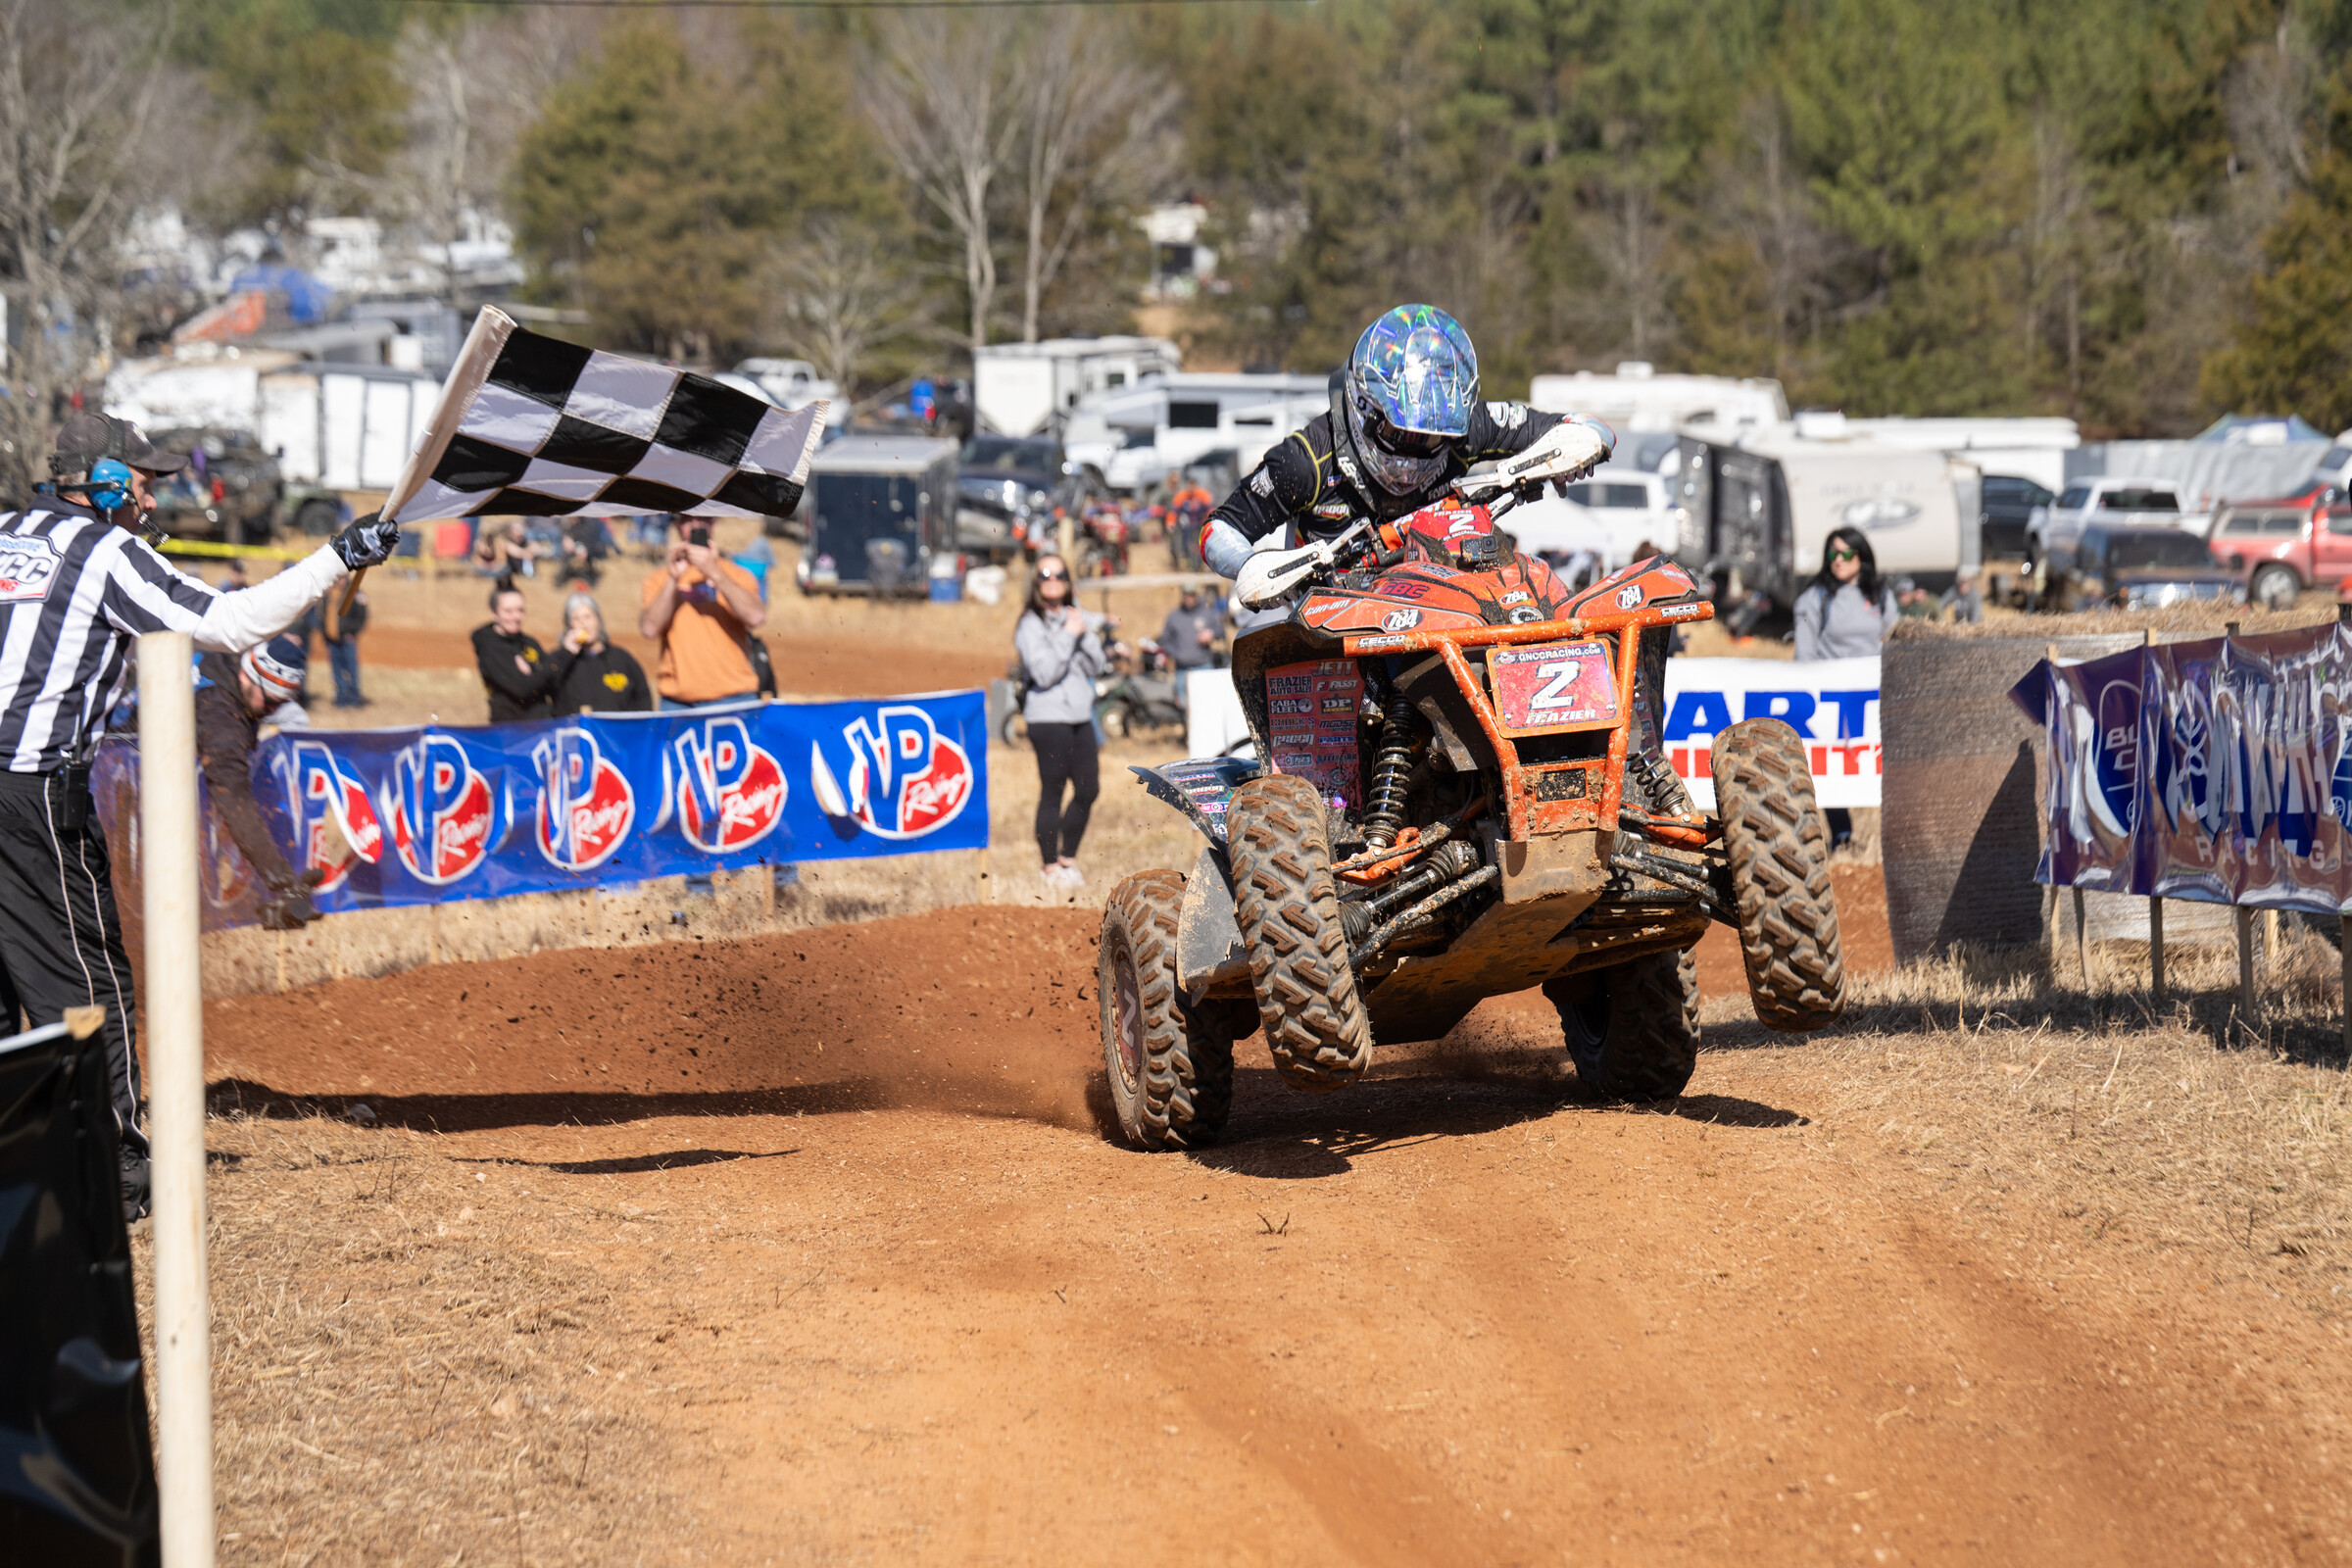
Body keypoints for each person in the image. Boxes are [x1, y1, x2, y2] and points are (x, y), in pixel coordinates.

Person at [0, 412, 398, 1219]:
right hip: (32, 791)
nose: (154, 501)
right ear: (107, 486)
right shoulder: (105, 551)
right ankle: (117, 1171)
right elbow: (228, 624)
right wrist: (338, 555)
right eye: (144, 484)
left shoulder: (7, 530)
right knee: (90, 985)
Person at [1200, 305, 1610, 604]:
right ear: (1365, 409)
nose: (1413, 455)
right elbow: (1218, 529)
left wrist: (1577, 448)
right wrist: (1253, 567)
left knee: (1537, 586)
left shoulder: (1468, 428)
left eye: (1430, 439)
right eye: (1400, 433)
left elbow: (1585, 426)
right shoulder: (1306, 460)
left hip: (1454, 603)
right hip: (1336, 622)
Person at [196, 634, 324, 931]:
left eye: (282, 705)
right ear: (248, 675)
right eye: (270, 702)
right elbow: (233, 798)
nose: (273, 712)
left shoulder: (230, 664)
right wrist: (279, 880)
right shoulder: (220, 716)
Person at [1792, 526, 1897, 848]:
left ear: (1861, 557)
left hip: (1873, 696)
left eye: (1846, 553)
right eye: (1832, 553)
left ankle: (1892, 838)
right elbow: (1805, 651)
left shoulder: (1880, 595)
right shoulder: (1814, 598)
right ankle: (1842, 835)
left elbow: (1895, 640)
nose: (1839, 560)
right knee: (1828, 764)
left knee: (1885, 763)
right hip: (1830, 699)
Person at [1013, 554, 1104, 890]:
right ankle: (1050, 866)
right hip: (1047, 716)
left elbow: (1096, 666)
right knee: (1053, 789)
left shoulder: (1074, 617)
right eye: (1045, 574)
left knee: (1088, 788)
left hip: (1081, 714)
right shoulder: (1029, 624)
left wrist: (1084, 633)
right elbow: (1044, 673)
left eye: (1059, 574)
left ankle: (1069, 857)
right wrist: (1068, 635)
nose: (1052, 579)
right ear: (1035, 583)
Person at [638, 514, 765, 709]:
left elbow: (756, 617)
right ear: (676, 525)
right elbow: (649, 629)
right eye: (687, 519)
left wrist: (714, 572)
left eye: (702, 518)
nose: (695, 525)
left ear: (713, 523)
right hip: (678, 703)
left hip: (734, 698)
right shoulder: (659, 579)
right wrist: (673, 579)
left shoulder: (737, 575)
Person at [552, 593, 652, 713]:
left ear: (598, 620)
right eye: (576, 619)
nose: (583, 623)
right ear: (569, 626)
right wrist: (566, 653)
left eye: (587, 617)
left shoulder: (621, 658)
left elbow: (642, 697)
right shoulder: (560, 661)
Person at [472, 581, 558, 722]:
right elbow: (521, 688)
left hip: (541, 725)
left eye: (520, 610)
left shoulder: (530, 643)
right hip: (509, 730)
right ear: (493, 613)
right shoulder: (490, 648)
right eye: (508, 611)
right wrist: (545, 668)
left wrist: (535, 670)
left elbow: (552, 680)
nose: (516, 617)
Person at [1158, 582, 1223, 699]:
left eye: (1192, 595)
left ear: (1196, 596)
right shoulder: (1174, 616)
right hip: (1182, 670)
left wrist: (1211, 633)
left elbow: (1221, 631)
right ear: (1182, 596)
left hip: (1204, 667)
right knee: (1185, 706)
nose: (1189, 598)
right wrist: (1177, 654)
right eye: (1186, 595)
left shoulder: (1207, 613)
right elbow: (1165, 640)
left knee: (1208, 702)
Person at [321, 584, 368, 708]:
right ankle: (340, 697)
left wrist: (352, 632)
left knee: (351, 669)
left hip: (348, 638)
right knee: (336, 670)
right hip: (332, 638)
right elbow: (323, 615)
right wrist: (325, 633)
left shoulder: (355, 592)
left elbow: (362, 616)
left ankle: (354, 698)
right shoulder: (329, 593)